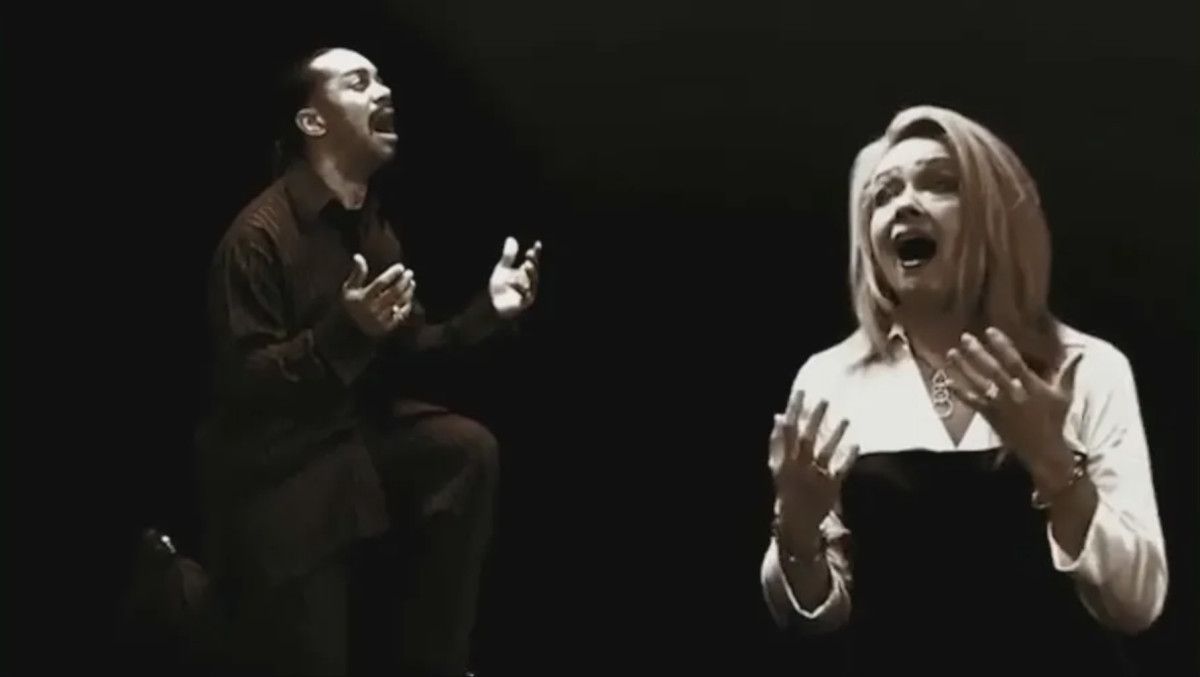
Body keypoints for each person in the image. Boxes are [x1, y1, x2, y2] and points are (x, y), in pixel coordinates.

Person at [760, 105, 1167, 675]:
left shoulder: (1088, 368)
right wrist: (797, 530)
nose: (904, 204)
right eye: (883, 194)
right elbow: (810, 619)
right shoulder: (830, 379)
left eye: (939, 183)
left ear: (995, 217)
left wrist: (1053, 463)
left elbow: (1137, 606)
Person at [196, 46, 542, 676]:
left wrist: (488, 312)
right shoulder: (257, 238)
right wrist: (344, 332)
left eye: (381, 79)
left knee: (464, 450)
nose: (383, 91)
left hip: (350, 440)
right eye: (358, 83)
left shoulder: (372, 229)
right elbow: (247, 385)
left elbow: (413, 349)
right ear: (312, 121)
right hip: (281, 469)